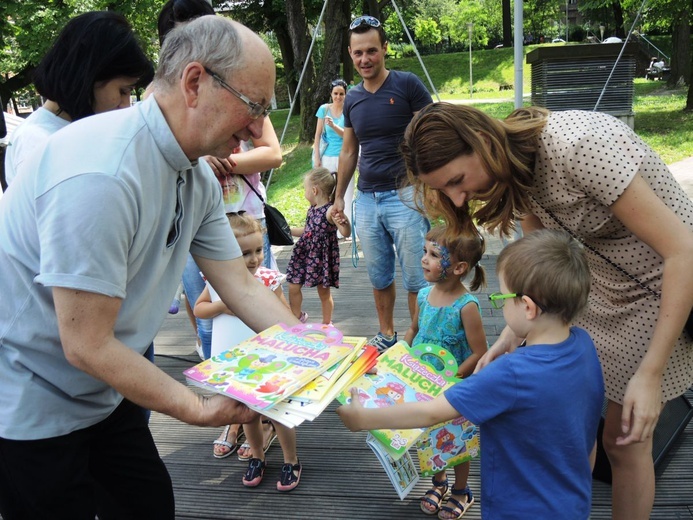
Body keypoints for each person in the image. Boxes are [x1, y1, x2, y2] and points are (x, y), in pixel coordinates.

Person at [0, 17, 298, 519]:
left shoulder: (194, 172)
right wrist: (196, 407)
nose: (254, 130)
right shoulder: (101, 171)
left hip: (106, 392)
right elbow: (86, 343)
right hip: (31, 404)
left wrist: (326, 358)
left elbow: (241, 285)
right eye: (254, 107)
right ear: (195, 82)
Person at [401, 103, 693, 520]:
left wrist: (652, 373)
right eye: (445, 191)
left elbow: (683, 250)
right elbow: (539, 269)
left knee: (625, 441)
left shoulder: (578, 145)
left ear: (482, 142)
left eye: (457, 181)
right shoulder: (513, 173)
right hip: (590, 292)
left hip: (661, 290)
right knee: (580, 430)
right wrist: (510, 336)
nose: (458, 198)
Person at [337, 229, 605, 519]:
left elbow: (431, 413)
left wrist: (364, 418)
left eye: (502, 297)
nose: (500, 304)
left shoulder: (510, 373)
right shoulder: (583, 346)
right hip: (573, 503)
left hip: (517, 509)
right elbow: (587, 440)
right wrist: (506, 340)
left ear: (527, 306)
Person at [334, 15, 432, 353]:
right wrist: (338, 200)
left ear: (385, 49)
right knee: (379, 276)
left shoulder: (407, 85)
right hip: (366, 200)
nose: (365, 59)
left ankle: (420, 339)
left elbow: (432, 135)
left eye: (371, 51)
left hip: (406, 196)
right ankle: (387, 333)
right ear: (350, 53)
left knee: (418, 278)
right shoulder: (352, 99)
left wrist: (431, 186)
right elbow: (348, 151)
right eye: (358, 53)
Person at [193, 213, 301, 491]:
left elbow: (283, 313)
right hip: (235, 359)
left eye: (258, 250)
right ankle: (257, 456)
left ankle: (291, 460)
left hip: (268, 358)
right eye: (244, 254)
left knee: (278, 411)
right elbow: (199, 308)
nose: (254, 259)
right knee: (247, 412)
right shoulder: (216, 281)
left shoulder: (266, 279)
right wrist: (222, 306)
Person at [4, 11, 154, 187]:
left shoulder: (75, 129)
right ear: (88, 77)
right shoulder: (38, 142)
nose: (126, 105)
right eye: (123, 91)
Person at [403, 225, 487, 519]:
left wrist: (450, 380)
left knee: (456, 440)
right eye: (425, 252)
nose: (424, 259)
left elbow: (479, 351)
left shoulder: (466, 307)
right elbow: (414, 329)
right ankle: (438, 482)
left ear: (459, 267)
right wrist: (400, 352)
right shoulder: (423, 296)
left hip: (453, 390)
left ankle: (462, 490)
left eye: (434, 255)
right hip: (421, 383)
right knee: (428, 435)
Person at [286, 167, 351, 325]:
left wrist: (345, 222)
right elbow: (307, 230)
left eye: (305, 189)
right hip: (304, 254)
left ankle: (327, 323)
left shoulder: (329, 211)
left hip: (321, 258)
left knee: (323, 293)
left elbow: (345, 232)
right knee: (293, 286)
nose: (304, 193)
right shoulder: (312, 210)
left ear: (314, 190)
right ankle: (297, 316)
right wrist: (287, 231)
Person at [313, 78, 353, 236]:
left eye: (341, 94)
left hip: (345, 155)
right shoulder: (324, 109)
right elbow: (317, 136)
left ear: (345, 94)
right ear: (331, 94)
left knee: (347, 193)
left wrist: (334, 126)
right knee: (327, 194)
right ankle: (329, 226)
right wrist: (317, 158)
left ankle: (347, 229)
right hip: (327, 157)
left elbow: (348, 136)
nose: (338, 97)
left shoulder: (349, 109)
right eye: (335, 93)